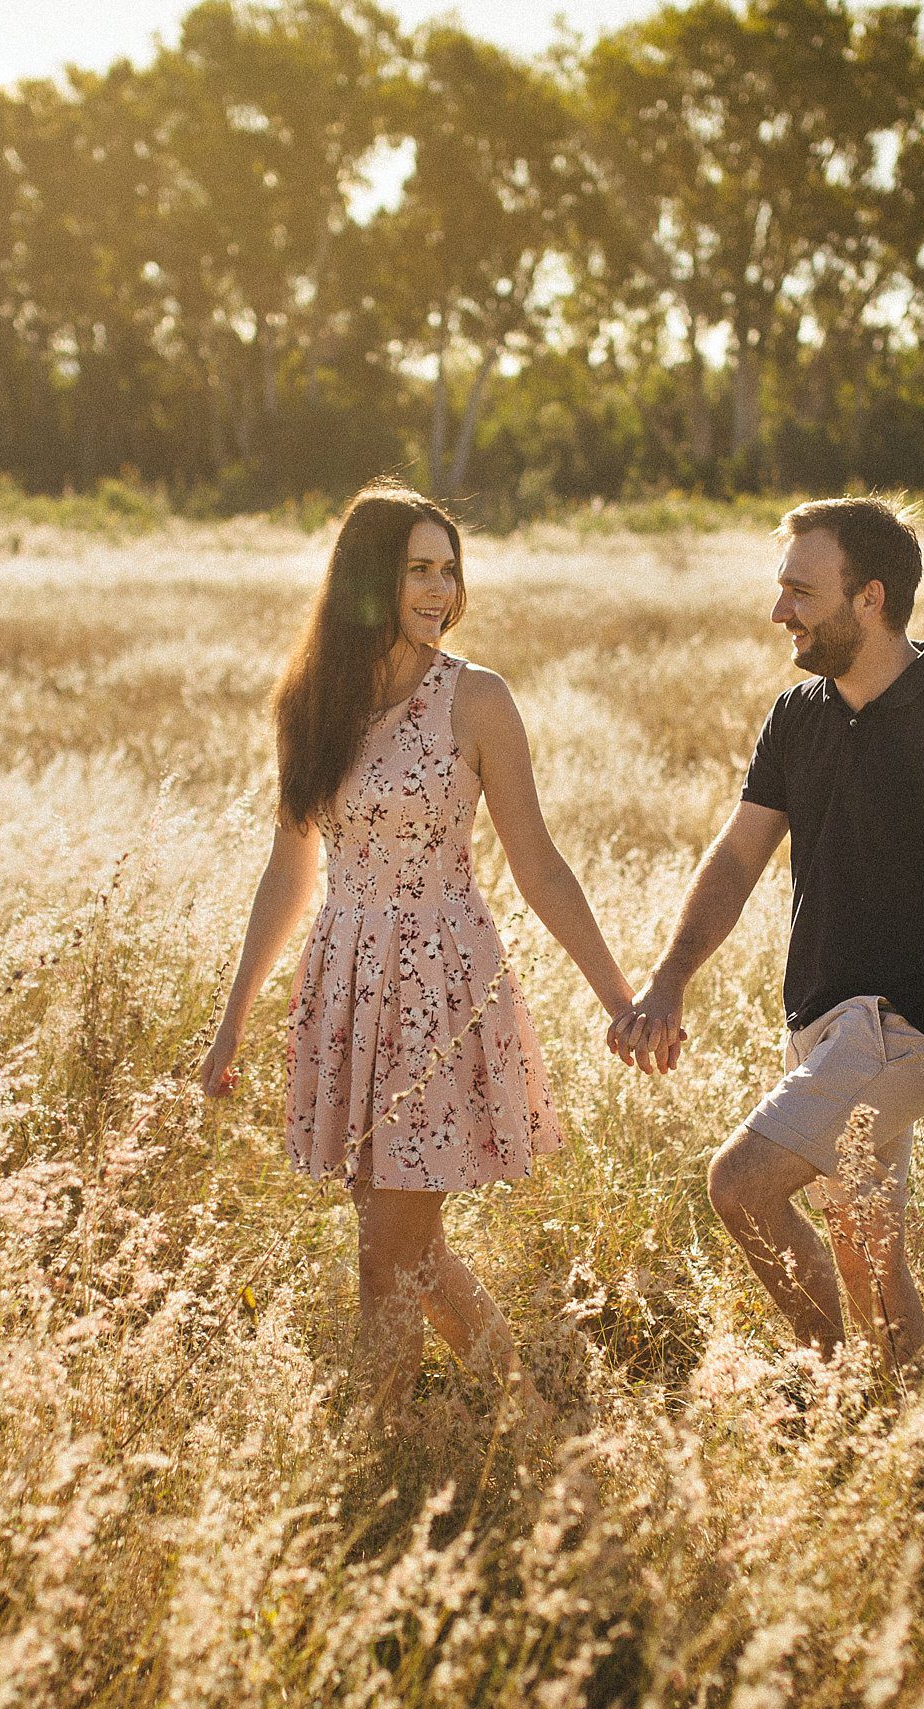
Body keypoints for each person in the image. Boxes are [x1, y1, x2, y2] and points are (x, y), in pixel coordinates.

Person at [202, 480, 638, 1418]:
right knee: (409, 1245)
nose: (442, 591)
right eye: (419, 571)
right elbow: (290, 871)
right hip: (345, 983)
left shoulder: (475, 699)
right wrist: (232, 1021)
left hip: (438, 984)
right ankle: (528, 1419)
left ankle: (385, 1439)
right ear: (370, 580)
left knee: (387, 1253)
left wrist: (619, 998)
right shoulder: (311, 703)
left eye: (449, 570)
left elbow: (538, 863)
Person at [612, 497, 924, 1373]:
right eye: (783, 589)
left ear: (870, 598)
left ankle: (826, 1388)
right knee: (868, 1251)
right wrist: (669, 979)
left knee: (741, 1185)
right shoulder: (797, 715)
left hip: (907, 1028)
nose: (781, 612)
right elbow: (738, 858)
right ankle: (907, 1425)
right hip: (821, 1022)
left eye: (802, 592)